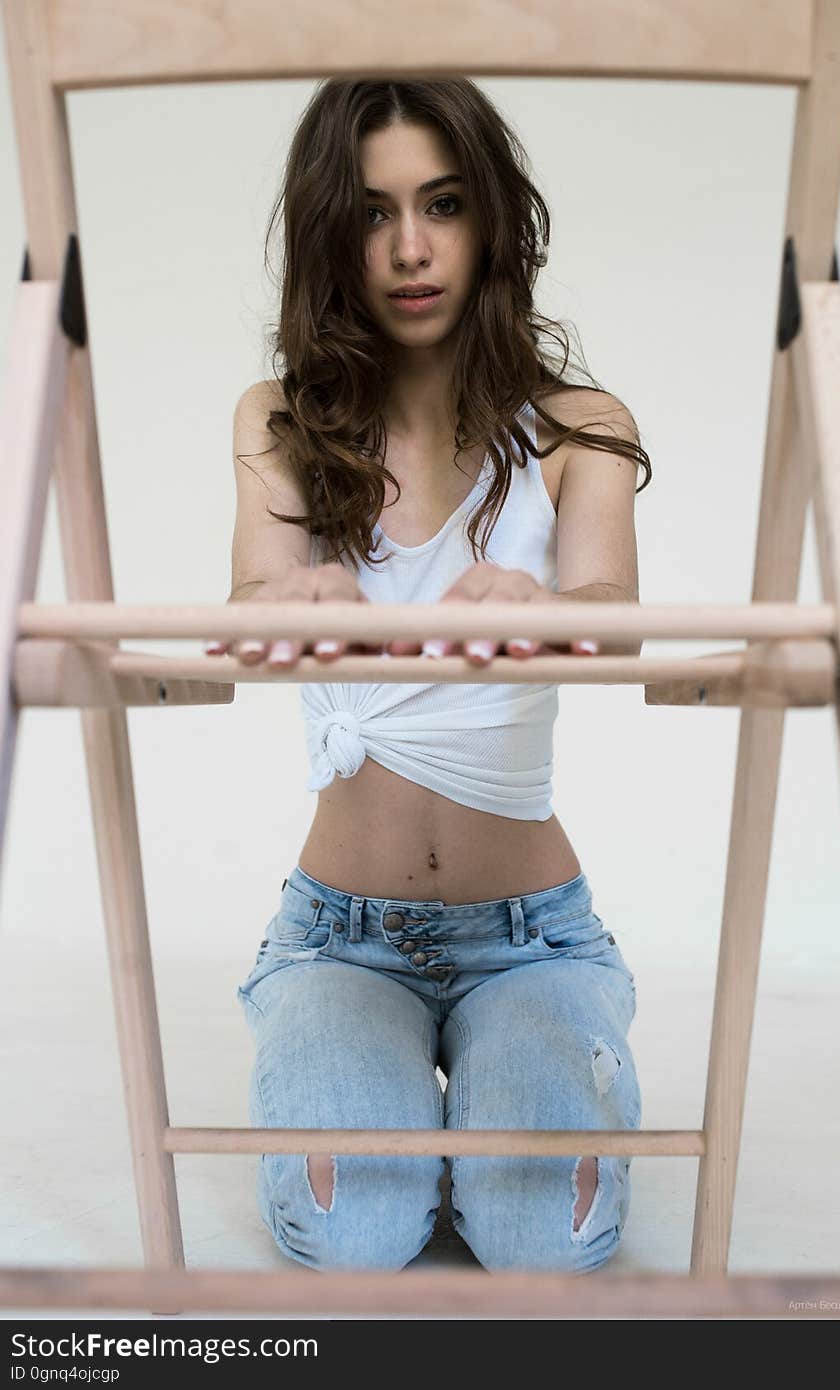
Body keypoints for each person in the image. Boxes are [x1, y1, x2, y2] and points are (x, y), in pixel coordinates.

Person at [206, 76, 653, 1273]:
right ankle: (392, 1094)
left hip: (532, 934)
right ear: (327, 235)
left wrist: (549, 609)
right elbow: (255, 595)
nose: (409, 247)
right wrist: (289, 598)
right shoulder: (283, 421)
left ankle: (497, 1085)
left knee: (540, 1245)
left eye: (443, 203)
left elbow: (612, 612)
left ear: (490, 220)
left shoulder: (576, 427)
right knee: (350, 1237)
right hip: (339, 933)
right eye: (370, 212)